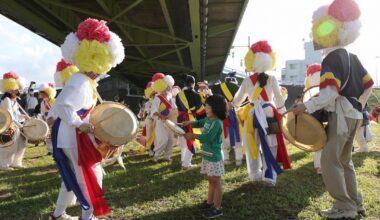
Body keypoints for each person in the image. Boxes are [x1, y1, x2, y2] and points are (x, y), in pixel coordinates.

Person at [291, 0, 373, 218]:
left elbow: (330, 93)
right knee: (345, 161)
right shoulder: (352, 56)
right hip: (354, 114)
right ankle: (356, 204)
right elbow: (369, 84)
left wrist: (305, 106)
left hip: (341, 115)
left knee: (329, 161)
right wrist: (360, 104)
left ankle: (345, 207)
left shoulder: (331, 58)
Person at [49, 18, 125, 220]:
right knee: (89, 177)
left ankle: (58, 215)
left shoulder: (84, 81)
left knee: (72, 179)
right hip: (74, 137)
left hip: (71, 137)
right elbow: (63, 105)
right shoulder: (80, 81)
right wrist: (80, 123)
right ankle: (87, 216)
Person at [231, 40, 291, 186]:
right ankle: (270, 176)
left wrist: (232, 106)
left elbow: (237, 101)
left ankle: (254, 174)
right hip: (268, 113)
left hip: (251, 114)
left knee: (251, 144)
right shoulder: (272, 79)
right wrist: (283, 114)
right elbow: (278, 99)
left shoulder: (246, 80)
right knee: (271, 145)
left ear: (251, 60)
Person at [183, 95, 226, 218]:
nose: (205, 109)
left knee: (216, 182)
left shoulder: (217, 123)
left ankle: (217, 208)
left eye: (207, 107)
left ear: (216, 108)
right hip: (207, 156)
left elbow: (208, 138)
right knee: (210, 181)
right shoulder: (208, 120)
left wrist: (193, 136)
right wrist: (190, 122)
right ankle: (209, 202)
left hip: (214, 158)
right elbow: (199, 122)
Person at [211, 72, 243, 166]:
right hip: (236, 114)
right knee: (238, 138)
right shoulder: (237, 87)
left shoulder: (216, 88)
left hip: (221, 115)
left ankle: (225, 159)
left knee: (223, 139)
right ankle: (239, 159)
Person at [176, 75, 206, 169]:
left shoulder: (178, 94)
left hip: (180, 119)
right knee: (192, 141)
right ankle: (186, 164)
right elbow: (201, 111)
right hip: (190, 120)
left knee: (183, 141)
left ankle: (183, 160)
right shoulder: (196, 95)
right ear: (193, 83)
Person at [0, 71, 27, 170]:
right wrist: (19, 123)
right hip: (7, 125)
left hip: (16, 125)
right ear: (11, 88)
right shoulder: (6, 100)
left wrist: (23, 117)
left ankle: (16, 162)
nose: (19, 90)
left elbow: (16, 114)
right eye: (17, 88)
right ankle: (4, 164)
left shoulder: (13, 100)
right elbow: (9, 115)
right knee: (9, 146)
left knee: (20, 144)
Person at [150, 73, 177, 162]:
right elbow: (154, 111)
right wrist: (162, 116)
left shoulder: (170, 97)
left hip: (169, 121)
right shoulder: (158, 98)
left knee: (170, 139)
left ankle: (167, 156)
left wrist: (173, 116)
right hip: (160, 122)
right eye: (168, 86)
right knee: (163, 139)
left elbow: (174, 109)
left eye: (169, 86)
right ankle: (156, 155)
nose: (169, 88)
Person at [304, 63, 323, 174]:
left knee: (320, 145)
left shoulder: (310, 92)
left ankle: (320, 165)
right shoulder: (309, 93)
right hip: (315, 121)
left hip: (322, 120)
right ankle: (319, 166)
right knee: (319, 145)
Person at [38, 83, 57, 153]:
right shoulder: (42, 103)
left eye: (42, 93)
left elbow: (56, 111)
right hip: (46, 120)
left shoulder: (54, 101)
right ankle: (50, 150)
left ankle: (55, 149)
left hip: (54, 120)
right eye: (40, 93)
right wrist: (44, 120)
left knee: (55, 135)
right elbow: (42, 112)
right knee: (48, 137)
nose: (41, 94)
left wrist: (53, 119)